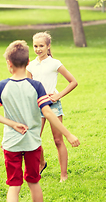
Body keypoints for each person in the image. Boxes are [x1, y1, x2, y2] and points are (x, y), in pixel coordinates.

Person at [0, 40, 80, 202]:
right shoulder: (36, 86)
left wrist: (12, 124)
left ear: (9, 64)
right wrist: (69, 135)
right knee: (33, 182)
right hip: (32, 143)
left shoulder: (3, 86)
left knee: (14, 186)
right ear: (28, 62)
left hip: (11, 143)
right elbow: (48, 113)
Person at [26, 31, 78, 182]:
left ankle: (63, 175)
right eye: (35, 46)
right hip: (37, 107)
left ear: (48, 46)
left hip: (53, 106)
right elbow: (29, 86)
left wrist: (58, 95)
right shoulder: (31, 66)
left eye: (41, 45)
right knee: (34, 139)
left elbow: (73, 82)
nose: (38, 49)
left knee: (58, 140)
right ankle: (42, 163)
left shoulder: (55, 63)